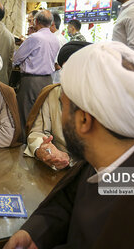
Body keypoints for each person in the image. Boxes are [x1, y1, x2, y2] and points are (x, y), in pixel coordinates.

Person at [4, 41, 134, 249]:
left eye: (63, 107)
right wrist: (34, 233)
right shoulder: (107, 155)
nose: (61, 115)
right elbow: (68, 201)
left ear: (84, 120)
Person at [24, 41, 91, 170]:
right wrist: (43, 149)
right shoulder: (53, 93)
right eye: (66, 71)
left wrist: (69, 159)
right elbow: (38, 132)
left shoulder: (103, 101)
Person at [13, 10, 60, 132]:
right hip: (48, 80)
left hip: (31, 81)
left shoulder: (34, 38)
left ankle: (23, 142)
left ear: (36, 21)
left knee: (25, 113)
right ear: (51, 23)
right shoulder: (55, 39)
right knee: (42, 115)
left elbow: (17, 58)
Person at [49, 12, 67, 84]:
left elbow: (57, 66)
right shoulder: (59, 38)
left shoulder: (56, 39)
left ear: (52, 24)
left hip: (55, 80)